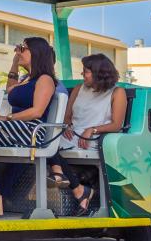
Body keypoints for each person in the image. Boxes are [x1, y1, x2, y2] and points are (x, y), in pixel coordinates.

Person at [48, 53, 128, 215]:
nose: (82, 75)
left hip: (94, 137)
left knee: (50, 148)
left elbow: (116, 124)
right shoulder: (78, 89)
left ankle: (72, 184)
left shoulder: (117, 93)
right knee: (45, 144)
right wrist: (68, 126)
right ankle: (79, 189)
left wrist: (93, 129)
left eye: (86, 71)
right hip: (72, 134)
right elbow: (67, 116)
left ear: (99, 73)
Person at [0, 37, 69, 198]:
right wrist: (14, 62)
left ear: (36, 53)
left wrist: (8, 118)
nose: (18, 51)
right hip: (17, 129)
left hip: (30, 131)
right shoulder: (27, 79)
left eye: (23, 48)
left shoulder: (45, 79)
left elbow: (36, 112)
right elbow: (10, 90)